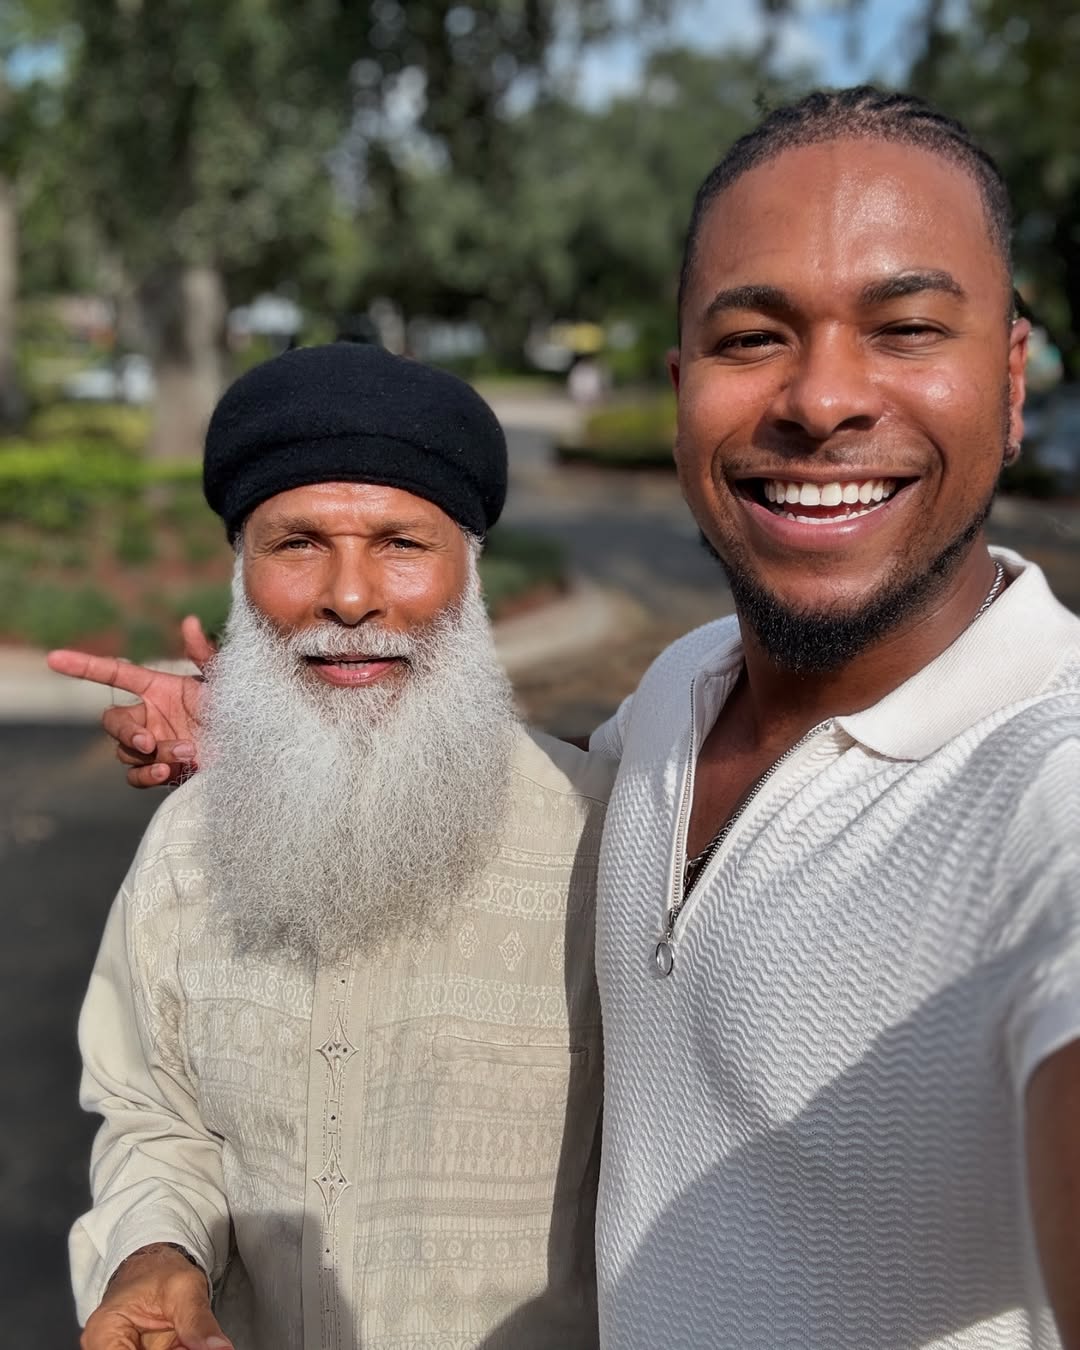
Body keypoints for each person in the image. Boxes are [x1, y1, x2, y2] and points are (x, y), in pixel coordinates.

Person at [53, 87, 1080, 1349]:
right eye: (754, 337)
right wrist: (285, 722)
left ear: (1015, 374)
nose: (822, 402)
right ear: (683, 381)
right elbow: (151, 1106)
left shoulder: (1050, 791)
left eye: (907, 325)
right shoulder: (667, 723)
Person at [59, 342, 611, 1350]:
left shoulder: (606, 843)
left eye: (402, 543)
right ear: (241, 575)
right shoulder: (188, 845)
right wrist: (155, 1254)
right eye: (297, 543)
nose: (350, 598)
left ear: (469, 575)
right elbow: (154, 1118)